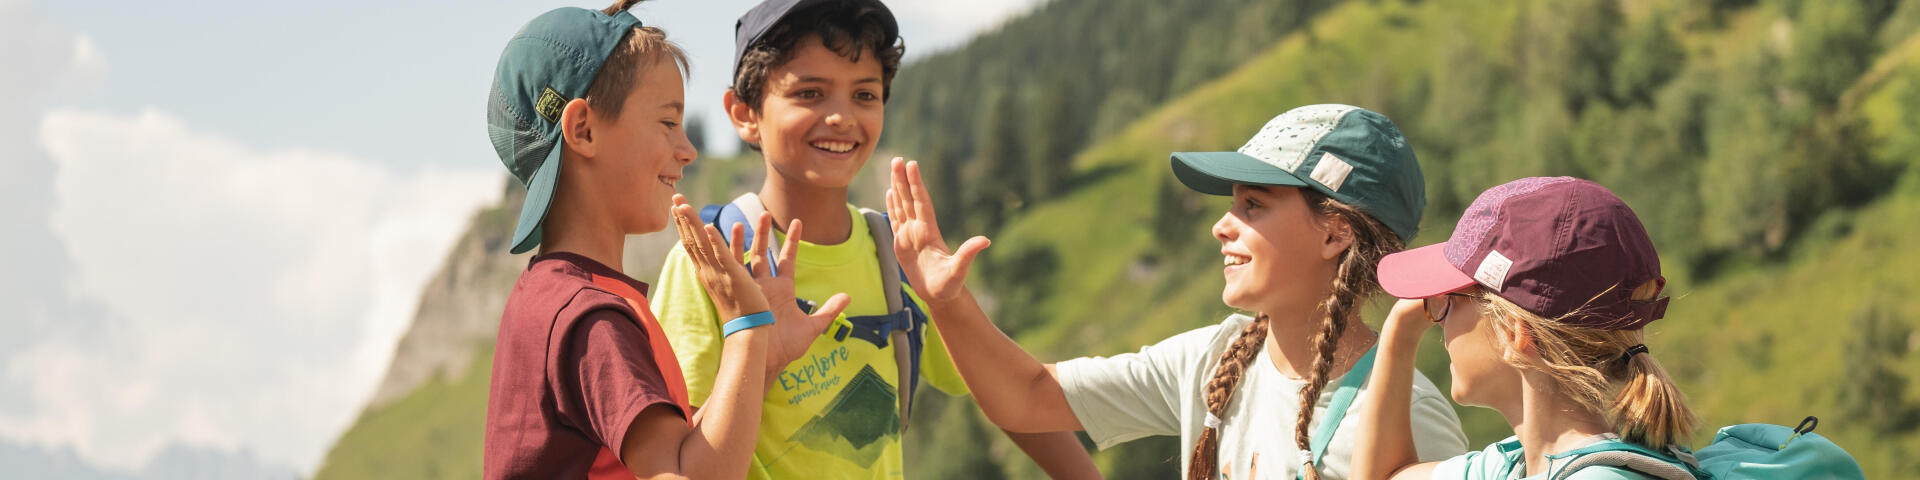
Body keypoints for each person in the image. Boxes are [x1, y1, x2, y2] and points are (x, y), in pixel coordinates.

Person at [886, 104, 1469, 479]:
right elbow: (1029, 399)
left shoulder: (1409, 414)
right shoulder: (1215, 357)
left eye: (1253, 205)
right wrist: (946, 300)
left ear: (1335, 233)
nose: (1222, 226)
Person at [649, 0, 1099, 478]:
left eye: (864, 95)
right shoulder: (712, 265)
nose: (841, 116)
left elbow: (1008, 397)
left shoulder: (901, 257)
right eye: (810, 93)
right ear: (744, 114)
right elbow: (676, 460)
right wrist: (760, 363)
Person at [480, 2, 847, 478]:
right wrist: (746, 325)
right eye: (668, 122)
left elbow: (679, 454)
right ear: (583, 130)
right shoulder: (591, 318)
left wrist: (761, 359)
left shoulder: (552, 296)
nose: (688, 149)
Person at [1351, 176, 1696, 480]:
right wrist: (1399, 330)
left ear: (1513, 334)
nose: (1437, 322)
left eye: (1446, 303)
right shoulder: (1516, 466)